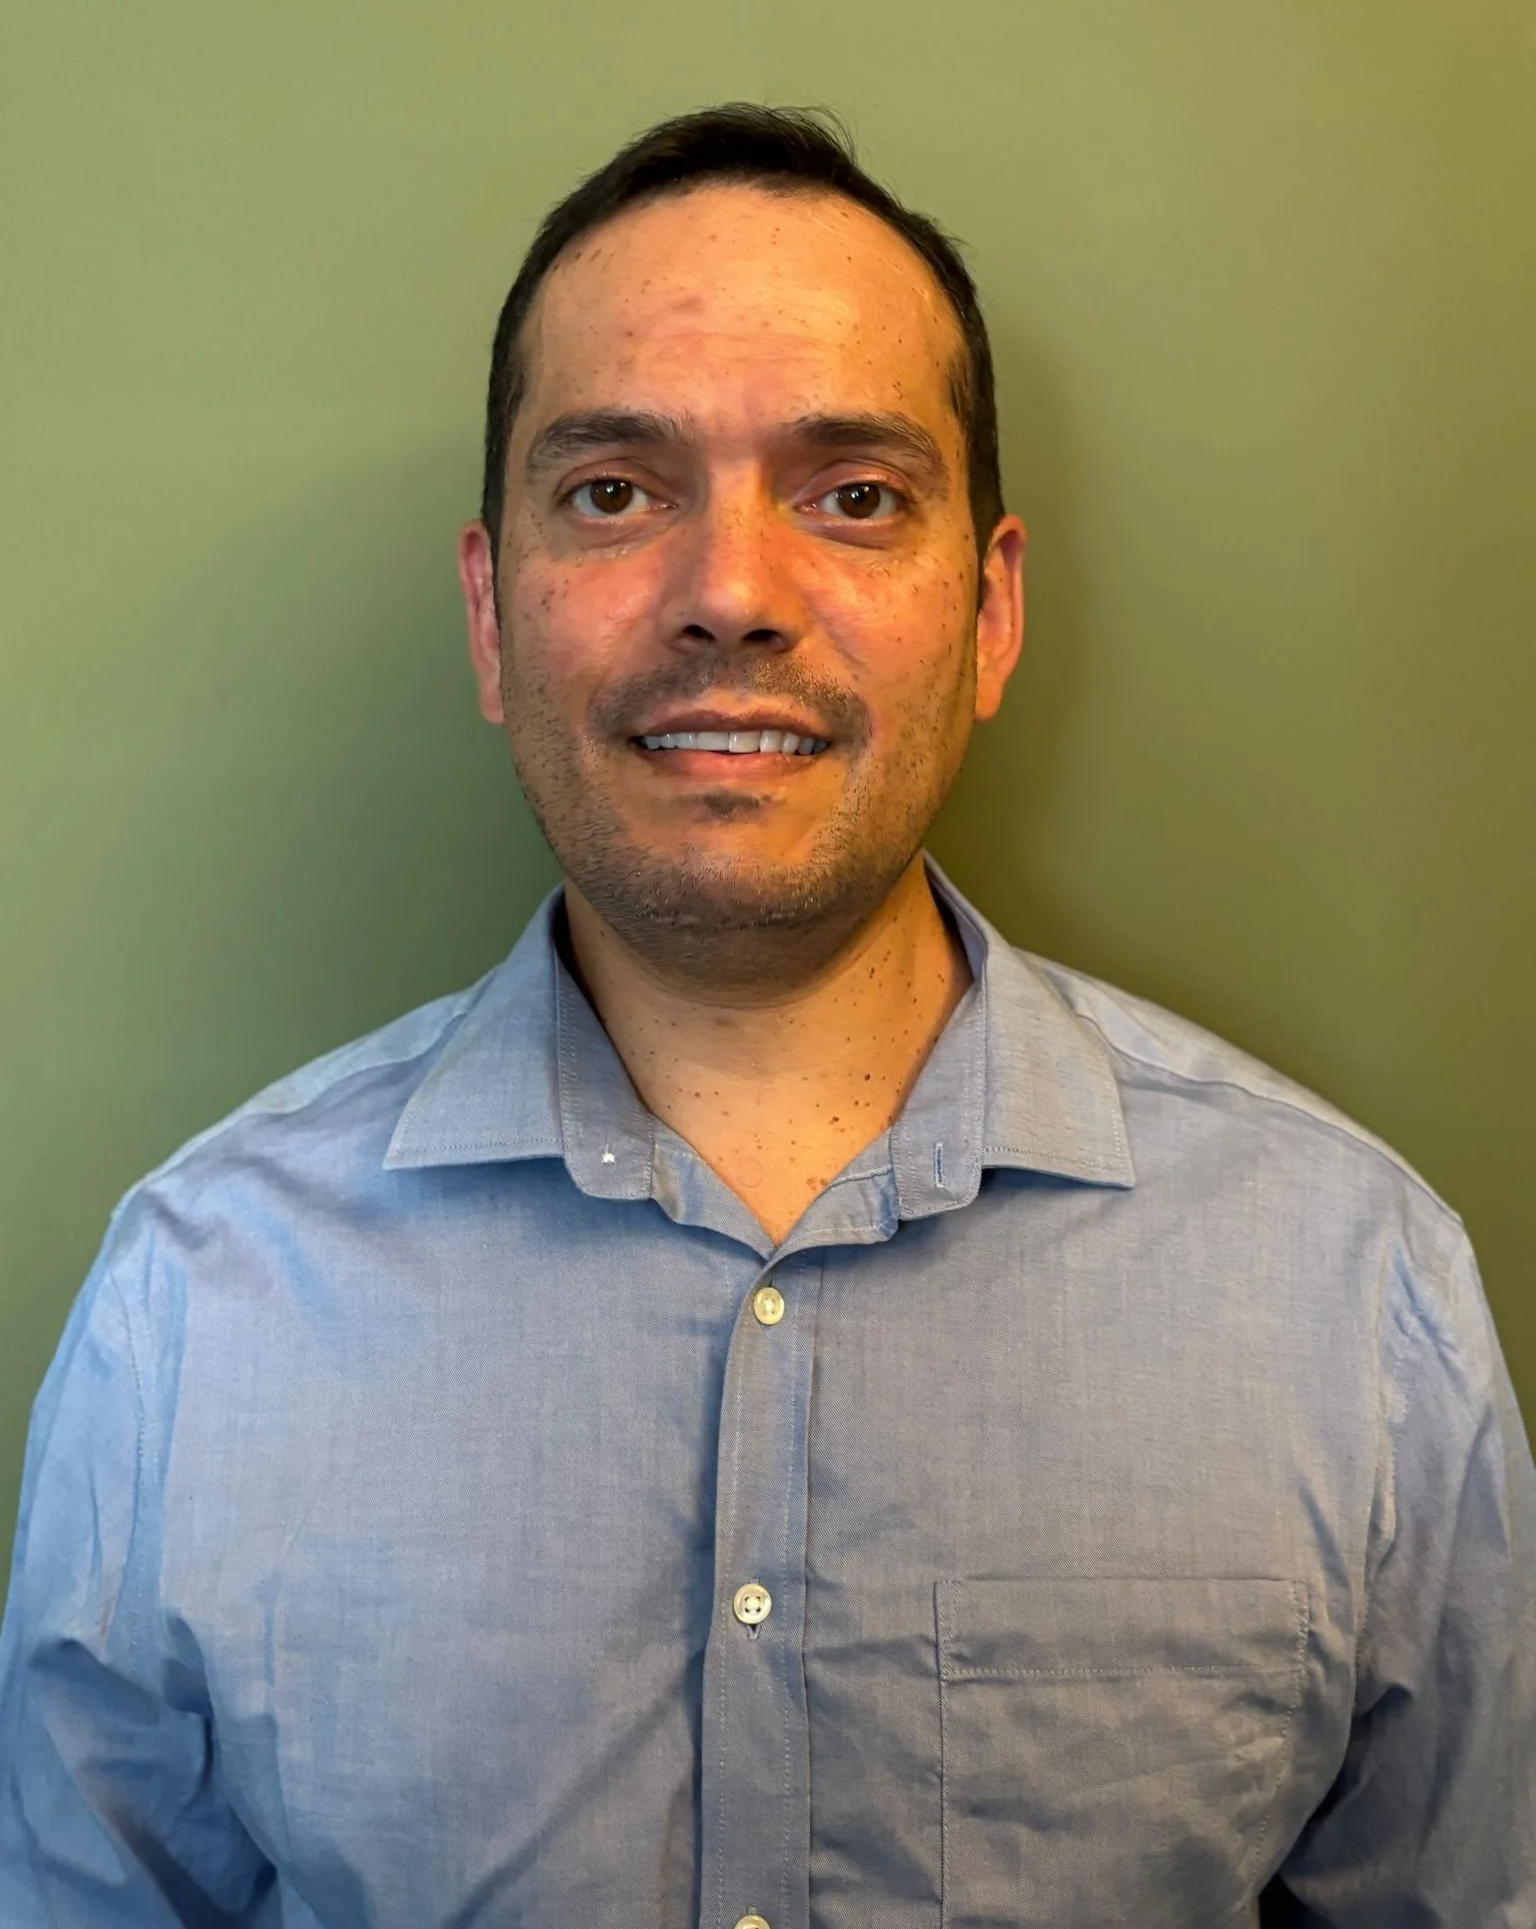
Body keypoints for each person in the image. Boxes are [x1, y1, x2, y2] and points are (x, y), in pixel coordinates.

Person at [1, 104, 1531, 1929]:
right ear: (493, 619)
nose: (731, 594)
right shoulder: (195, 1307)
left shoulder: (1354, 1294)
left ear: (989, 610)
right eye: (616, 490)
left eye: (856, 496)